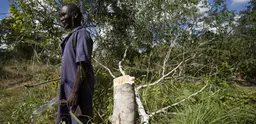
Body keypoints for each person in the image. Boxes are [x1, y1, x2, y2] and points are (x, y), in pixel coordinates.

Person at [57, 3, 95, 124]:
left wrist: (74, 92)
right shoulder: (69, 38)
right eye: (60, 16)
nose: (61, 19)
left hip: (79, 92)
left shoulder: (82, 34)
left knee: (80, 120)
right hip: (69, 92)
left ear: (74, 15)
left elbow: (83, 65)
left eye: (64, 15)